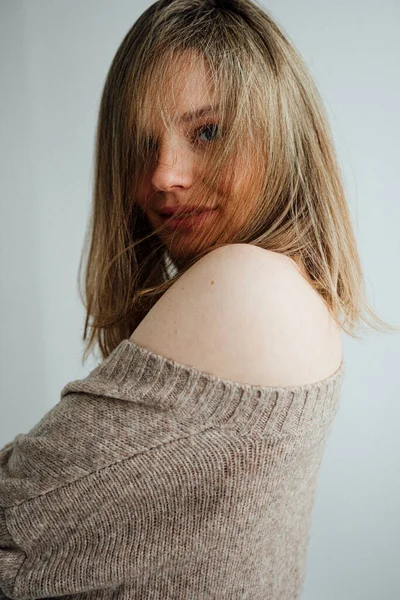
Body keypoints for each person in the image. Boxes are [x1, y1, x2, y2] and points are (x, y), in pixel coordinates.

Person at [1, 1, 397, 599]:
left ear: (281, 132)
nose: (163, 174)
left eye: (207, 132)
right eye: (142, 143)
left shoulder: (249, 285)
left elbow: (12, 525)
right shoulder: (283, 290)